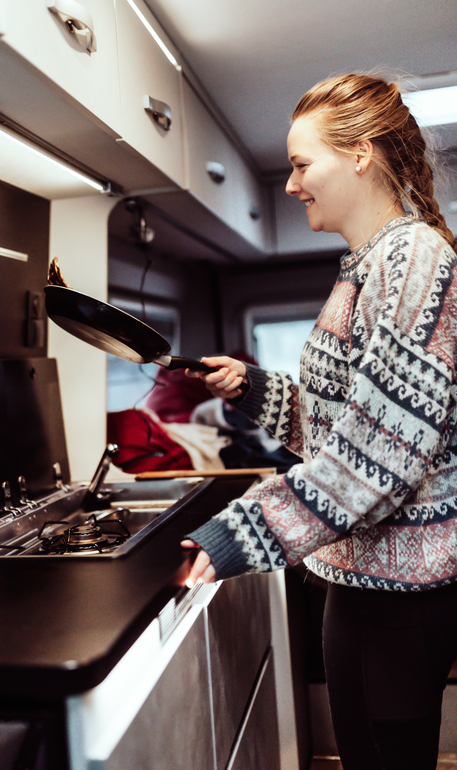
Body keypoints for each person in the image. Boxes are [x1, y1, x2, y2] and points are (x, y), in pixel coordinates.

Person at [181, 72, 457, 770]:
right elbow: (344, 427)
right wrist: (252, 388)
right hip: (357, 579)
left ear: (360, 153)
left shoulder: (414, 258)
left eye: (302, 164)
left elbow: (383, 453)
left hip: (404, 596)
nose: (291, 184)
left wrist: (239, 534)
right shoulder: (365, 266)